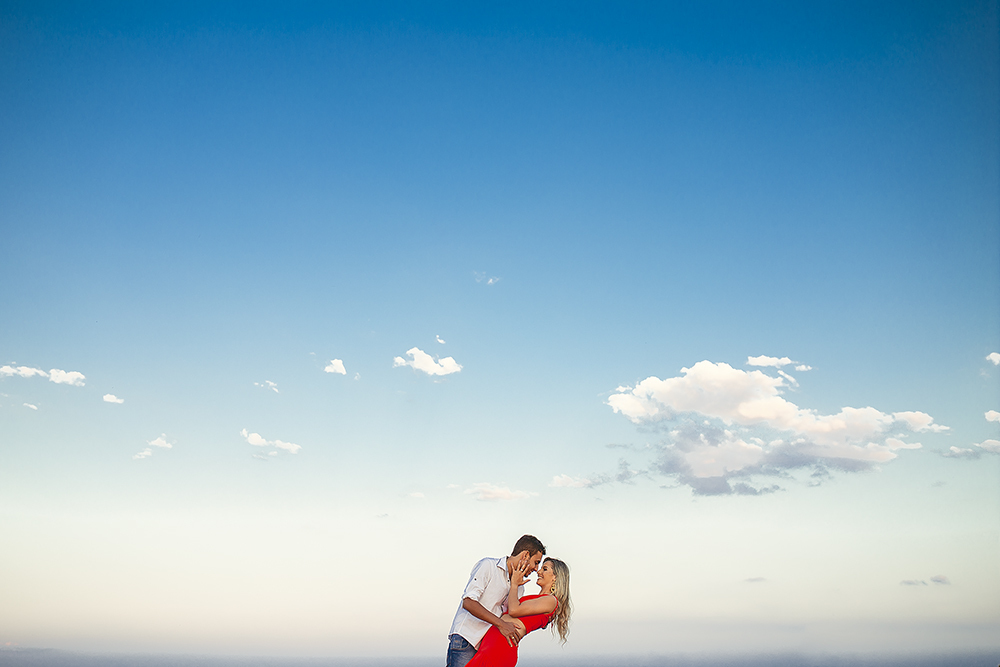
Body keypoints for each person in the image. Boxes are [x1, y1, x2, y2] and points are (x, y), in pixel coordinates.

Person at [446, 535, 547, 667]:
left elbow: (514, 615)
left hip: (487, 647)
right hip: (466, 640)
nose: (536, 569)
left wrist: (545, 614)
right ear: (525, 555)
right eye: (536, 562)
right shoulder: (488, 566)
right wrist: (501, 625)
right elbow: (468, 602)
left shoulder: (519, 587)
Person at [464, 556, 572, 667]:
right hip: (492, 646)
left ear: (556, 577)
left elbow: (514, 610)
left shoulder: (551, 600)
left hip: (500, 648)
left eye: (545, 569)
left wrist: (514, 584)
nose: (538, 572)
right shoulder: (540, 599)